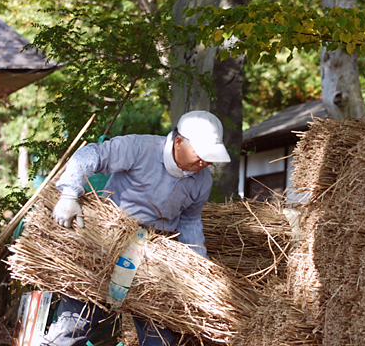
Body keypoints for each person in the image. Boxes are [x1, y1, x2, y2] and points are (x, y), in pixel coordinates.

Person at [43, 110, 231, 346]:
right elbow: (92, 155)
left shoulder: (203, 180)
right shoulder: (140, 148)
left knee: (161, 339)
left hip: (155, 261)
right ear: (179, 141)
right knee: (74, 326)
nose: (206, 161)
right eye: (201, 154)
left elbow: (189, 221)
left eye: (211, 156)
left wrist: (197, 265)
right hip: (108, 245)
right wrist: (69, 193)